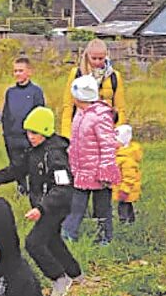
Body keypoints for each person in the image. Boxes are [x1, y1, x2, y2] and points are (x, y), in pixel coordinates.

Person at [0, 105, 80, 296]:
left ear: (45, 131)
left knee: (34, 243)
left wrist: (42, 208)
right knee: (52, 241)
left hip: (55, 207)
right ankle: (75, 273)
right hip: (42, 206)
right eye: (27, 132)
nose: (30, 136)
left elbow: (63, 188)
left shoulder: (55, 154)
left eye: (35, 132)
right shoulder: (33, 151)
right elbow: (17, 169)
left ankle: (59, 278)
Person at [63, 75, 121, 244]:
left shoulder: (100, 116)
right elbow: (76, 141)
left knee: (102, 207)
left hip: (98, 172)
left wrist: (106, 169)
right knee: (76, 204)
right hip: (82, 171)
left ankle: (104, 237)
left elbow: (107, 145)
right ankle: (69, 232)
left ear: (81, 97)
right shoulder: (80, 114)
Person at [59, 39, 125, 138]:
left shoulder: (115, 76)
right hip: (81, 129)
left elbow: (120, 108)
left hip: (106, 130)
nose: (97, 62)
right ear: (87, 55)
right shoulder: (77, 74)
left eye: (101, 58)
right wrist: (66, 136)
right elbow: (68, 106)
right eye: (93, 58)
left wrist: (117, 132)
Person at [0, 56, 45, 197]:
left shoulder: (36, 91)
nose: (17, 74)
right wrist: (6, 133)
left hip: (29, 137)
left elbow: (40, 114)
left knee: (32, 165)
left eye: (20, 70)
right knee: (16, 165)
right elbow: (6, 113)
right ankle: (21, 189)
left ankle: (35, 191)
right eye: (15, 71)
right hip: (12, 136)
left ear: (29, 72)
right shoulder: (10, 92)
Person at [113, 124, 143, 225]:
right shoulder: (120, 154)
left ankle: (125, 223)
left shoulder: (127, 159)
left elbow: (129, 177)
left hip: (124, 189)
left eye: (115, 140)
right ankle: (131, 221)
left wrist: (124, 189)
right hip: (121, 188)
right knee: (127, 205)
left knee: (123, 206)